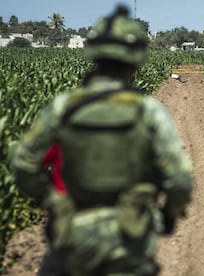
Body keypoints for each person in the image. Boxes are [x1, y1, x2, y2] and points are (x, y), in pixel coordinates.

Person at [12, 5, 193, 276]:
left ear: (93, 54)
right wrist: (168, 215)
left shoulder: (64, 107)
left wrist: (53, 201)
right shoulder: (148, 111)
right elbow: (180, 178)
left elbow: (24, 163)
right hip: (129, 243)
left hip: (72, 239)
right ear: (136, 60)